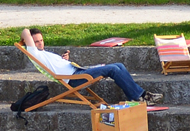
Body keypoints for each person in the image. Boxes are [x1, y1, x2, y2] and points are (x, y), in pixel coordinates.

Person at [19, 27, 162, 103]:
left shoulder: (45, 53)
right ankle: (139, 96)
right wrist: (25, 40)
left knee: (118, 65)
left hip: (77, 70)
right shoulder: (34, 53)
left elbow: (55, 65)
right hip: (74, 78)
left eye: (41, 40)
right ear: (29, 43)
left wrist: (64, 60)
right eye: (36, 41)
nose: (40, 43)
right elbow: (25, 31)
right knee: (113, 69)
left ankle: (139, 95)